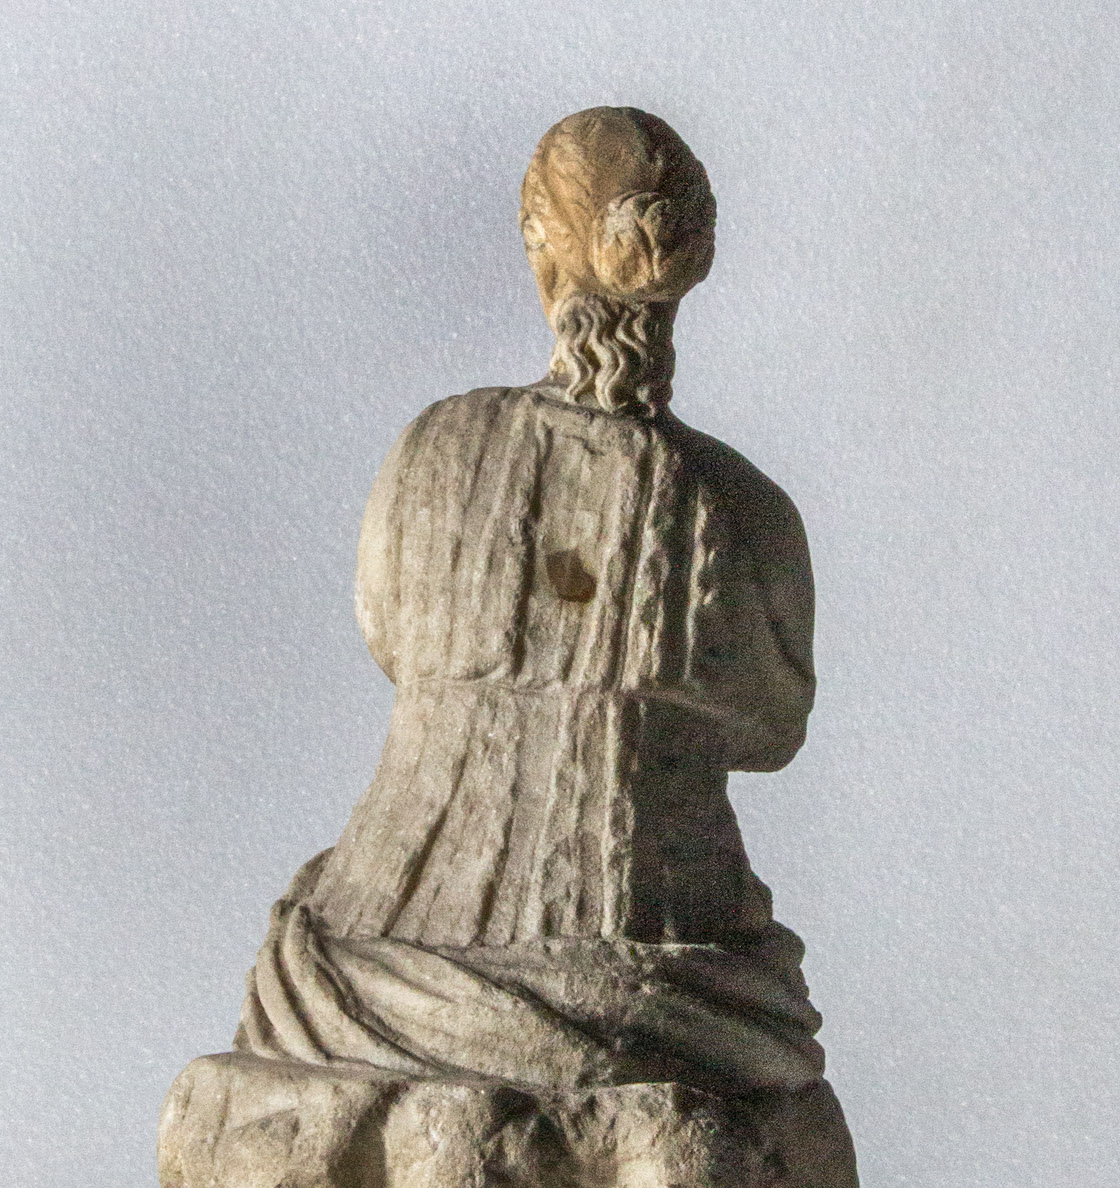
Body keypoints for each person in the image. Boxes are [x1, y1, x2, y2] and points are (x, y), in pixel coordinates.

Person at [238, 106, 825, 1098]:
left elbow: (388, 635)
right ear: (693, 260)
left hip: (376, 960)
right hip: (663, 985)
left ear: (538, 246)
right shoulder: (745, 510)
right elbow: (773, 726)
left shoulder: (436, 449)